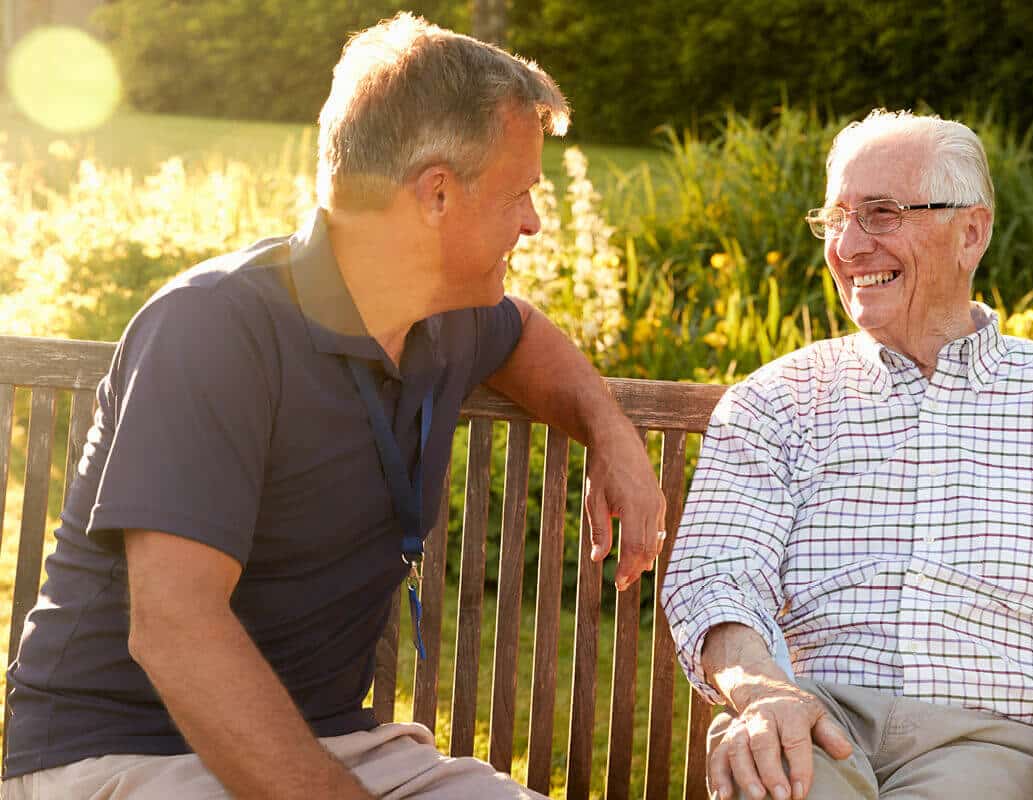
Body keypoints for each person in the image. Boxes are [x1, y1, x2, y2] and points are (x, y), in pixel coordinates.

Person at [3, 15, 666, 800]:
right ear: (439, 194)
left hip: (334, 744)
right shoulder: (214, 327)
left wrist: (611, 431)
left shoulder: (442, 316)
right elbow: (175, 630)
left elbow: (523, 333)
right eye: (519, 192)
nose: (534, 220)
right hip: (123, 755)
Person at [662, 109, 1033, 800]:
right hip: (813, 719)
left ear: (971, 232)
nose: (849, 245)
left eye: (881, 214)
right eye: (836, 218)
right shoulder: (777, 400)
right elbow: (715, 577)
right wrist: (763, 691)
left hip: (996, 740)